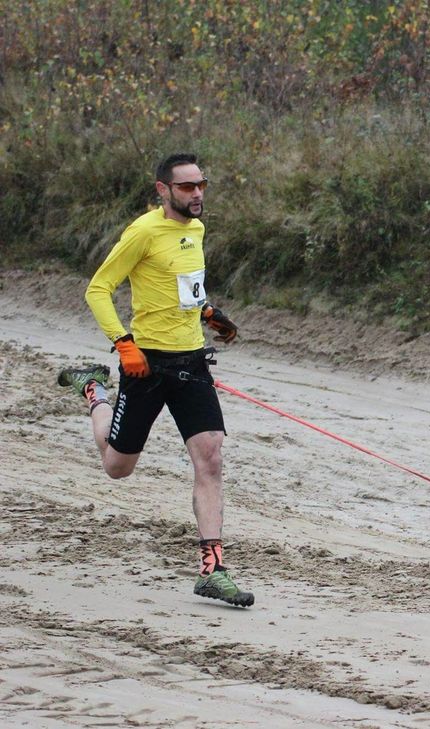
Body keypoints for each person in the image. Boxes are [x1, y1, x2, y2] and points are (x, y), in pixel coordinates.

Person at [58, 153, 253, 607]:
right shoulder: (142, 232)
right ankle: (94, 390)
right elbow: (98, 289)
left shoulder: (197, 229)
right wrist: (125, 345)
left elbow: (184, 284)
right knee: (117, 468)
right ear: (163, 190)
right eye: (186, 187)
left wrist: (207, 313)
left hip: (192, 363)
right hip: (145, 365)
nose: (197, 193)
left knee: (210, 457)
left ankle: (212, 569)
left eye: (201, 184)